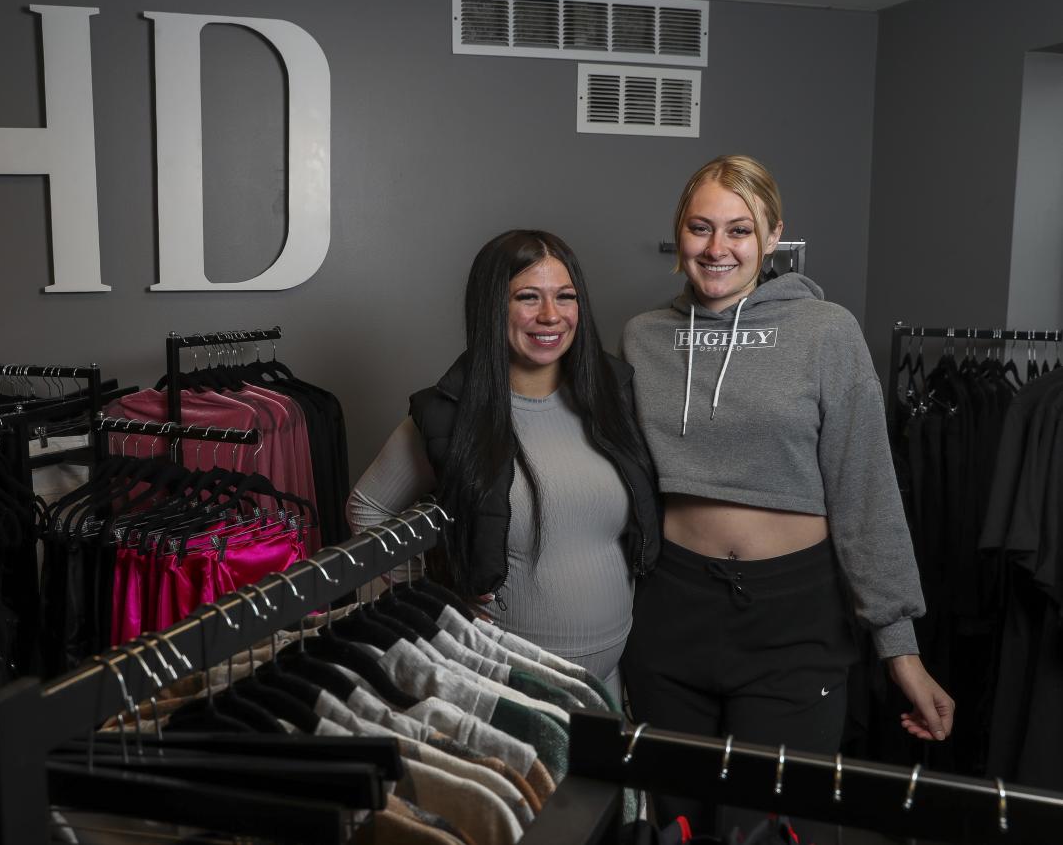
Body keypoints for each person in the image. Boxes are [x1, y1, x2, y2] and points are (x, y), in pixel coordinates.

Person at [620, 155, 954, 763]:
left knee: (773, 824)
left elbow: (866, 490)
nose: (717, 247)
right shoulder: (643, 336)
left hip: (795, 617)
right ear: (680, 235)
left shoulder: (826, 331)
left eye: (740, 230)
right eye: (700, 227)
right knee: (673, 818)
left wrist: (900, 648)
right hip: (671, 608)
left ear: (773, 237)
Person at [345, 229, 660, 700]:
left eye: (565, 297)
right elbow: (367, 509)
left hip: (609, 680)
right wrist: (440, 589)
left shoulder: (613, 397)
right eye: (528, 297)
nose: (550, 316)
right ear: (493, 307)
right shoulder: (448, 413)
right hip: (504, 683)